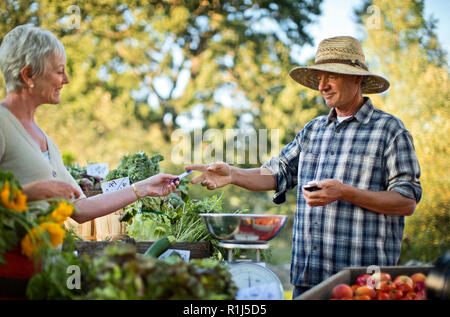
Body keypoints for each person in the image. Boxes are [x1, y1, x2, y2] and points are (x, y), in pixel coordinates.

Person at [186, 36, 422, 299]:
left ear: (357, 79)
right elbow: (277, 172)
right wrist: (232, 173)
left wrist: (344, 192)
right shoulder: (313, 130)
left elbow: (406, 200)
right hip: (308, 280)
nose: (322, 86)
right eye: (319, 77)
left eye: (331, 76)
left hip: (363, 285)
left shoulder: (390, 131)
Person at [0, 25, 179, 226]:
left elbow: (79, 208)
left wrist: (144, 187)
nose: (66, 80)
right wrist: (30, 193)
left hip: (44, 258)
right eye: (59, 71)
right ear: (28, 75)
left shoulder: (45, 140)